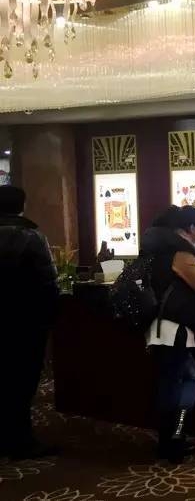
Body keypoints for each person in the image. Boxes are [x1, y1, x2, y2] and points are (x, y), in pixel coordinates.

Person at [140, 205, 195, 463]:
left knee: (172, 382)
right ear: (192, 228)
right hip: (174, 328)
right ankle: (174, 439)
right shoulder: (180, 252)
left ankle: (169, 440)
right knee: (185, 381)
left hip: (158, 326)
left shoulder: (157, 247)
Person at [0, 185, 60, 459]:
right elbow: (48, 282)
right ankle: (20, 439)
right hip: (25, 321)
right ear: (22, 206)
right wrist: (50, 318)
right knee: (23, 380)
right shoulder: (31, 237)